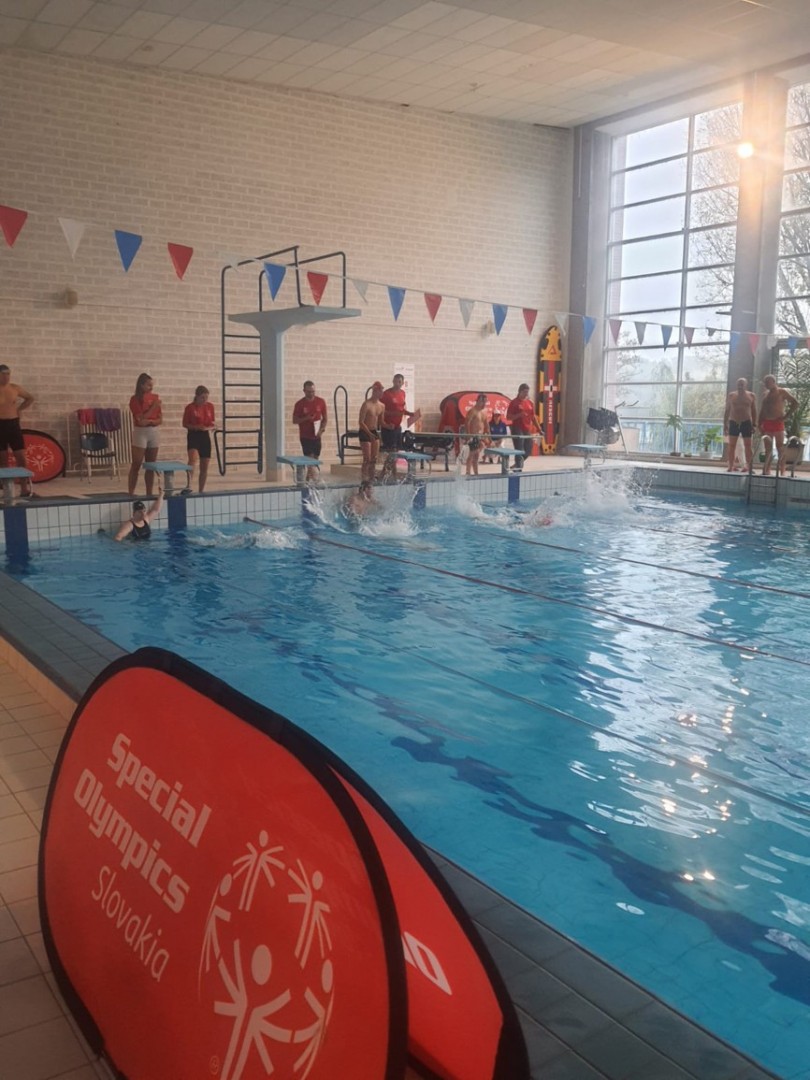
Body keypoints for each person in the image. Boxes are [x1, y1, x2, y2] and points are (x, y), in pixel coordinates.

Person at [0, 363, 34, 497]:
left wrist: (19, 409)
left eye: (8, 374)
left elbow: (30, 398)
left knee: (21, 457)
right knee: (3, 460)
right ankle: (6, 490)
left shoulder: (15, 388)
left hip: (13, 425)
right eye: (3, 374)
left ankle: (24, 488)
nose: (6, 377)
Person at [128, 373, 162, 496]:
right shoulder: (134, 400)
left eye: (152, 385)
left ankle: (149, 493)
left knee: (151, 466)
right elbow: (140, 421)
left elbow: (160, 420)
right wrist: (153, 408)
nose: (151, 388)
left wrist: (150, 421)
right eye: (148, 385)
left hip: (153, 432)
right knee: (136, 464)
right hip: (140, 433)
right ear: (141, 385)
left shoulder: (155, 398)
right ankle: (131, 493)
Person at [759, 373, 798, 476]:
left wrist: (786, 417)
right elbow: (762, 410)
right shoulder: (765, 394)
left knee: (780, 447)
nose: (766, 384)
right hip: (767, 422)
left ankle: (782, 470)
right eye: (765, 383)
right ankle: (766, 470)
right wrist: (759, 423)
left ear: (773, 382)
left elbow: (795, 403)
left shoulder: (782, 392)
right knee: (768, 449)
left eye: (768, 382)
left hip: (778, 423)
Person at [182, 385, 216, 493]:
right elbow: (185, 424)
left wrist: (213, 426)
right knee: (192, 459)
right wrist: (196, 427)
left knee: (204, 465)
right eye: (202, 397)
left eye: (206, 397)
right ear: (197, 396)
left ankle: (201, 490)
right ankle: (188, 485)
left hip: (205, 436)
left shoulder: (210, 406)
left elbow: (212, 422)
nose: (204, 400)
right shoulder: (190, 408)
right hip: (193, 435)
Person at [292, 380, 327, 483]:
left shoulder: (321, 402)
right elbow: (294, 420)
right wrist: (306, 418)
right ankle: (316, 481)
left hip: (317, 436)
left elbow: (325, 419)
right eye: (309, 392)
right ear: (304, 391)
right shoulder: (299, 404)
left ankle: (307, 481)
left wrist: (321, 430)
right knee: (310, 461)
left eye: (313, 391)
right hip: (305, 436)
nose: (311, 394)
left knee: (314, 460)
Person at [723, 377, 757, 473]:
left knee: (748, 446)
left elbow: (754, 410)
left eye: (742, 384)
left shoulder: (751, 395)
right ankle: (731, 466)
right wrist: (725, 424)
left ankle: (749, 466)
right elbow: (727, 410)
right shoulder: (731, 395)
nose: (740, 386)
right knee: (731, 446)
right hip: (734, 422)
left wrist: (754, 424)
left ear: (746, 385)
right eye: (738, 384)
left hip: (746, 422)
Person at [381, 373, 420, 453]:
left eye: (399, 382)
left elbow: (401, 410)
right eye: (395, 381)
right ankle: (389, 461)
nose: (397, 384)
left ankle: (394, 461)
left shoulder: (402, 393)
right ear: (393, 381)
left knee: (398, 449)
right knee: (390, 450)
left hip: (397, 427)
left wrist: (410, 414)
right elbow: (380, 410)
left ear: (402, 383)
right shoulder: (386, 394)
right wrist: (392, 415)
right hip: (389, 426)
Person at [506, 383, 540, 471]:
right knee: (519, 448)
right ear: (519, 391)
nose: (526, 394)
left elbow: (533, 417)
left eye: (527, 392)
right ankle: (518, 468)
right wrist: (519, 415)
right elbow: (508, 417)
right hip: (517, 428)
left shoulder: (530, 403)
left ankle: (517, 464)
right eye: (524, 392)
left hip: (526, 428)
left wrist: (539, 429)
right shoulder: (514, 403)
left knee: (528, 448)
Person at [358, 381, 386, 482]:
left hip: (374, 432)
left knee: (374, 459)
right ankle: (364, 479)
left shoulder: (382, 406)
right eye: (380, 391)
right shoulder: (366, 404)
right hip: (364, 432)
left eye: (382, 390)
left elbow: (381, 422)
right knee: (367, 459)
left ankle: (371, 478)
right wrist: (369, 434)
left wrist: (389, 426)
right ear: (375, 391)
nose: (382, 393)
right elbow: (361, 422)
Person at [464, 393, 490, 476]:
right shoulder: (472, 411)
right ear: (477, 401)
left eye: (485, 402)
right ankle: (468, 472)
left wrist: (488, 436)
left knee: (476, 456)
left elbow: (486, 425)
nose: (484, 404)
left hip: (480, 436)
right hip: (473, 436)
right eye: (482, 402)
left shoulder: (484, 411)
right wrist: (468, 436)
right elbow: (467, 423)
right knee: (472, 455)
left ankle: (476, 473)